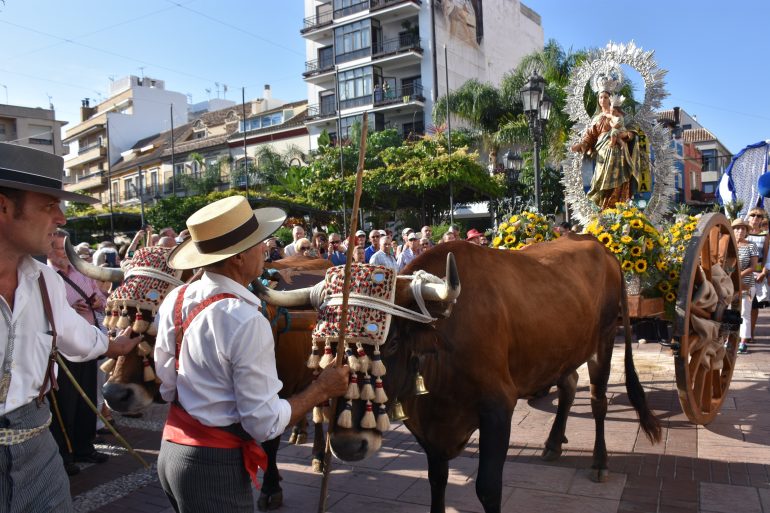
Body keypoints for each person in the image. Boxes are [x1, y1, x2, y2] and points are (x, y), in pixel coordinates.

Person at [154, 196, 348, 512]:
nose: (265, 250)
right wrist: (321, 390)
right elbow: (264, 424)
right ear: (239, 258)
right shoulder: (244, 318)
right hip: (214, 466)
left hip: (171, 451)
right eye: (258, 244)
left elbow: (166, 385)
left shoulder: (177, 297)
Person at [0, 143, 141, 512]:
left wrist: (118, 345)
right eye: (49, 205)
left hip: (37, 451)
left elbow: (81, 341)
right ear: (2, 207)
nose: (61, 218)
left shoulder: (44, 280)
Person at [47, 230, 110, 476]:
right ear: (48, 250)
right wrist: (70, 309)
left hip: (90, 339)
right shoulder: (46, 276)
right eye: (60, 248)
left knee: (87, 399)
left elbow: (104, 299)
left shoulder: (83, 272)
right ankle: (66, 453)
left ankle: (85, 446)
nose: (66, 253)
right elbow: (49, 312)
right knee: (66, 402)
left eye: (67, 247)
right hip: (65, 347)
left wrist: (97, 302)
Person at [571, 88, 639, 210]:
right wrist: (582, 144)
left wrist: (623, 135)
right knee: (599, 179)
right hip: (602, 152)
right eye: (600, 97)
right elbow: (590, 136)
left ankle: (616, 209)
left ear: (610, 99)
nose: (603, 99)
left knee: (618, 180)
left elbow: (631, 131)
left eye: (606, 97)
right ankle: (602, 208)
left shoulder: (619, 115)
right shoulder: (596, 119)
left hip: (618, 153)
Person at [733, 218, 758, 354]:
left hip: (748, 286)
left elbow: (754, 266)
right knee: (731, 312)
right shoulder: (729, 245)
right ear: (733, 230)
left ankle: (743, 342)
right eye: (737, 228)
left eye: (743, 228)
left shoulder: (751, 246)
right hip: (731, 286)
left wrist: (739, 275)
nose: (740, 231)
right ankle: (730, 339)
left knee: (745, 313)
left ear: (747, 231)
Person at [746, 208, 770, 343]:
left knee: (754, 306)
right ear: (748, 217)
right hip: (743, 270)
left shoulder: (765, 235)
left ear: (762, 219)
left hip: (757, 272)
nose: (755, 217)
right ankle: (740, 333)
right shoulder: (742, 232)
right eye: (753, 215)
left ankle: (750, 333)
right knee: (742, 304)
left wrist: (764, 272)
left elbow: (767, 255)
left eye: (759, 216)